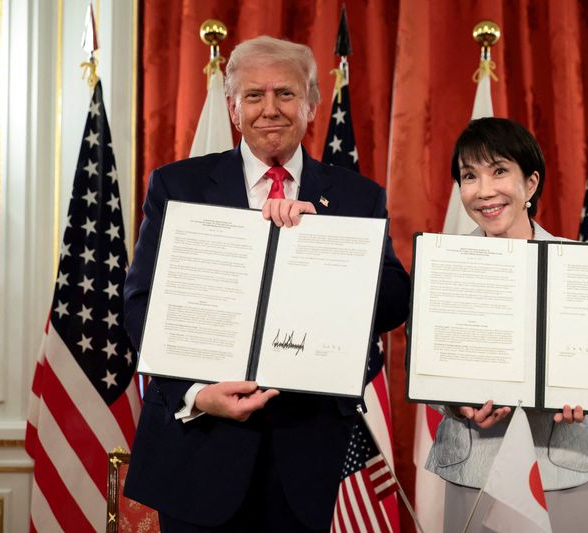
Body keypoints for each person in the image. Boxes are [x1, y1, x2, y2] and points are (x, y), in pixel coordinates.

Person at [123, 36, 410, 532]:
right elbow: (141, 306)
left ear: (312, 106)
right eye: (253, 96)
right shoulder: (178, 187)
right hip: (199, 449)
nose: (269, 109)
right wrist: (196, 393)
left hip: (305, 457)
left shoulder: (355, 197)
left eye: (286, 94)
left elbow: (391, 305)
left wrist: (322, 241)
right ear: (233, 109)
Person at [425, 118, 588, 532]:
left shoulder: (579, 264)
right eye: (469, 176)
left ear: (530, 184)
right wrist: (458, 404)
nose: (484, 190)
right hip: (475, 467)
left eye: (499, 170)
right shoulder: (443, 264)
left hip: (563, 466)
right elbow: (422, 371)